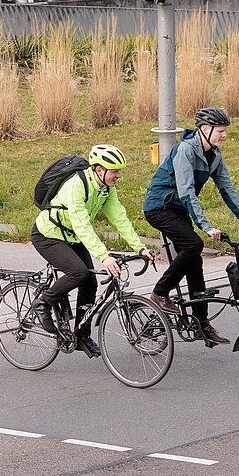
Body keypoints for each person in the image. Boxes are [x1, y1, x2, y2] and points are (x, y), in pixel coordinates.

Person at [143, 108, 239, 346]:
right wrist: (206, 226)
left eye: (225, 131)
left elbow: (226, 188)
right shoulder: (186, 150)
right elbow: (186, 192)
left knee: (195, 261)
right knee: (194, 245)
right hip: (159, 208)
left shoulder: (214, 154)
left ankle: (200, 324)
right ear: (205, 129)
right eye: (221, 131)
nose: (224, 135)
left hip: (178, 209)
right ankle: (159, 292)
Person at [30, 144, 157, 358]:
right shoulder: (76, 185)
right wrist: (104, 257)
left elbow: (119, 218)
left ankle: (81, 336)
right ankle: (43, 302)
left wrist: (140, 247)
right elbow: (82, 225)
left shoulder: (106, 188)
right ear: (99, 170)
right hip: (48, 235)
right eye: (115, 171)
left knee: (89, 281)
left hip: (72, 236)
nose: (119, 175)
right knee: (78, 273)